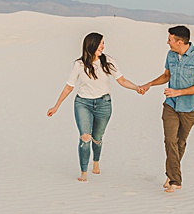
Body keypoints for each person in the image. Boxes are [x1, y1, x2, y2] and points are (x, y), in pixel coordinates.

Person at [47, 32, 145, 182]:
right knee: (85, 137)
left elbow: (122, 80)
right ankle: (84, 172)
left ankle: (96, 162)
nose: (103, 46)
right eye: (100, 44)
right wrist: (56, 106)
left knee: (97, 138)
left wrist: (136, 87)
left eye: (103, 43)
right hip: (83, 103)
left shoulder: (108, 61)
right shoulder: (79, 64)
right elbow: (69, 86)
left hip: (103, 104)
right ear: (91, 45)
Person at [138, 25, 194, 193]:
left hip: (190, 108)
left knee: (180, 143)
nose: (167, 42)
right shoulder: (170, 54)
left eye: (170, 39)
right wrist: (149, 84)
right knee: (170, 140)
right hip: (171, 105)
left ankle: (171, 174)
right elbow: (166, 76)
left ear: (179, 41)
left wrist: (179, 92)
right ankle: (176, 180)